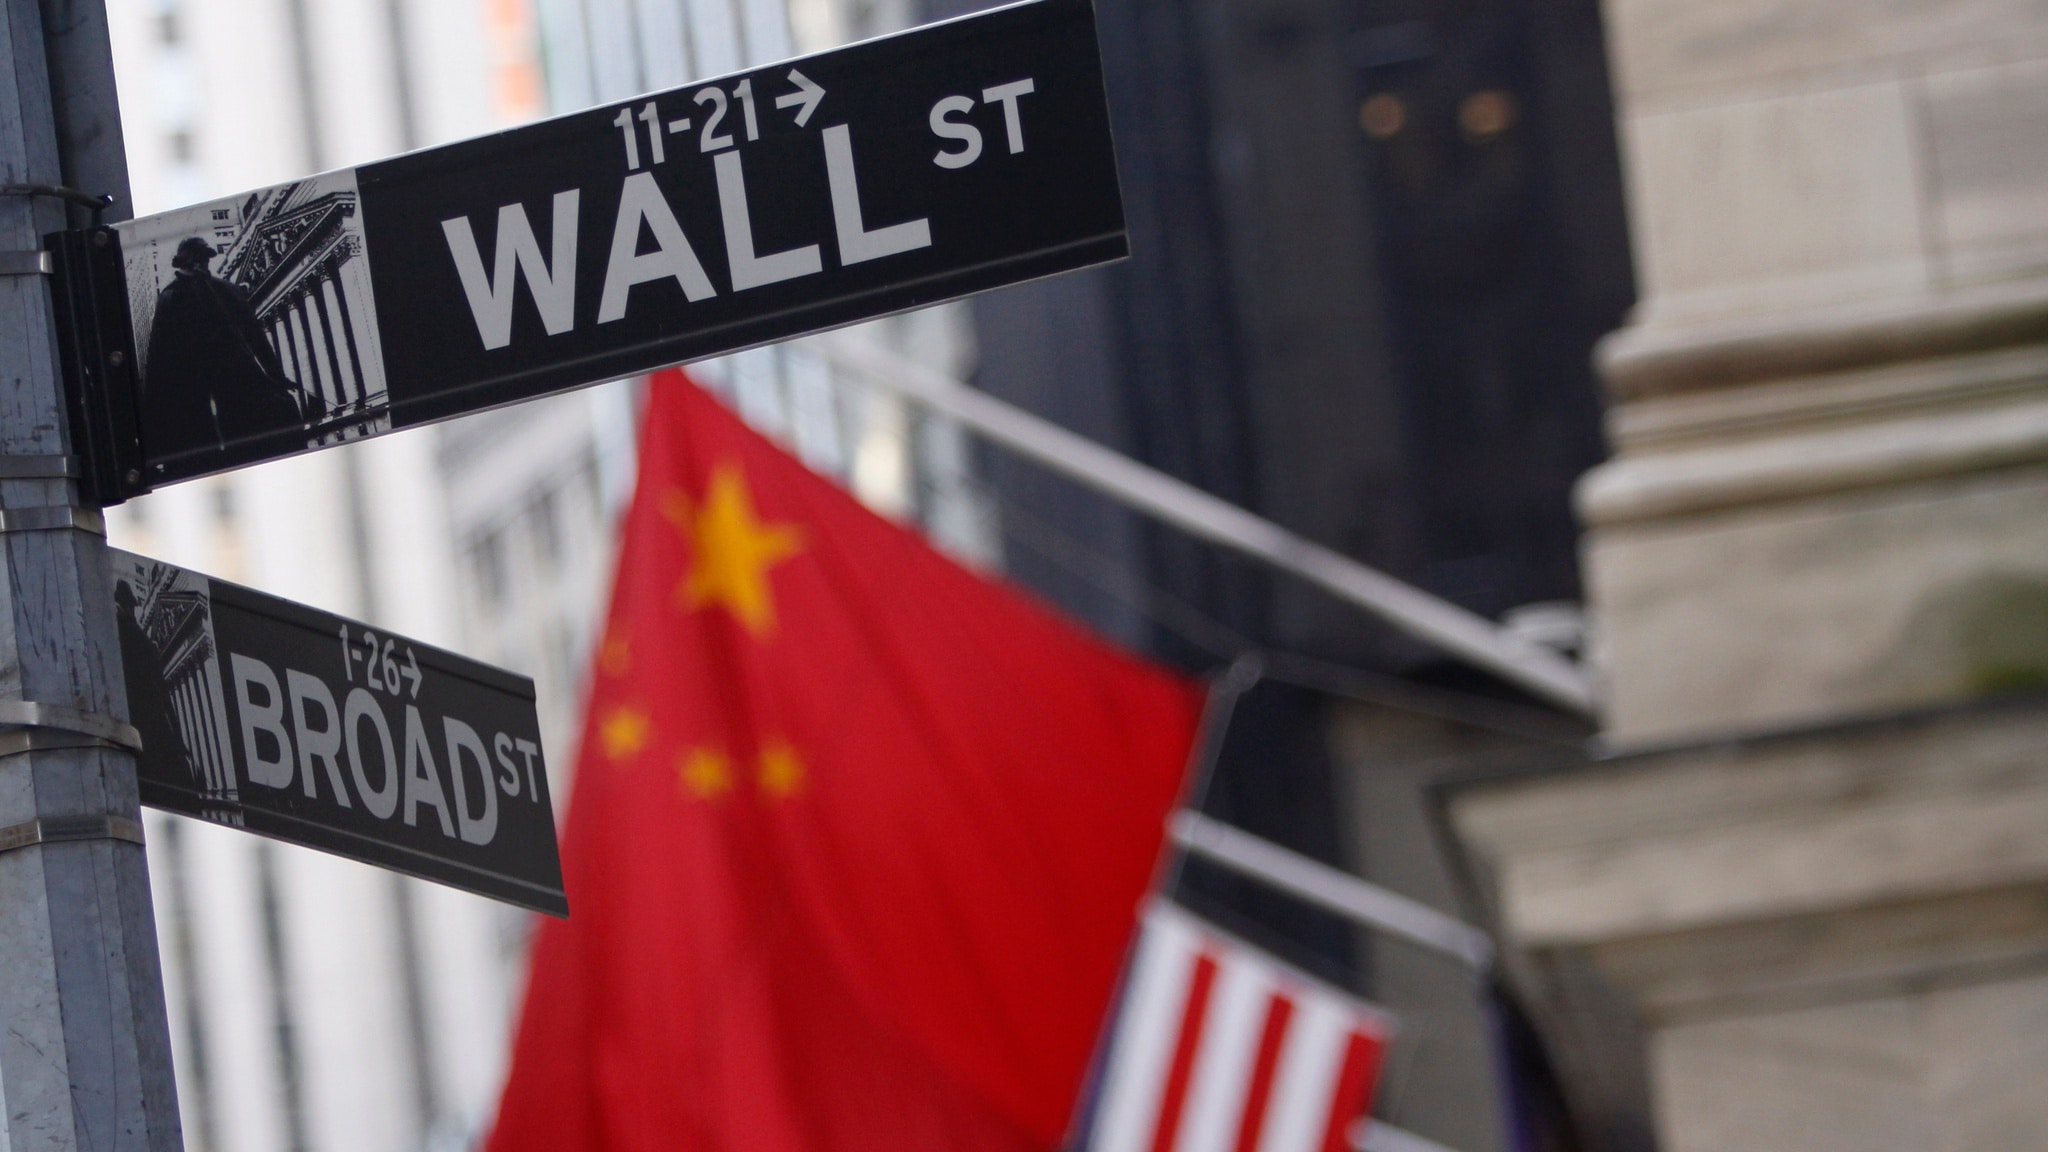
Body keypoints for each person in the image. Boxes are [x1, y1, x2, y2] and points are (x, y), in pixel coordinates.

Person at [141, 237, 312, 464]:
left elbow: (256, 338)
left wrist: (277, 376)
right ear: (186, 262)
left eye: (205, 259)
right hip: (198, 390)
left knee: (256, 433)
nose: (203, 264)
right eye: (199, 259)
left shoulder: (225, 290)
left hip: (236, 380)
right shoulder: (171, 297)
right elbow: (159, 357)